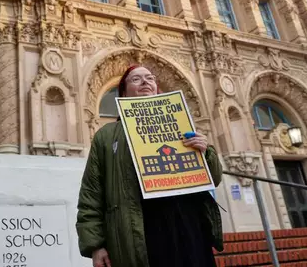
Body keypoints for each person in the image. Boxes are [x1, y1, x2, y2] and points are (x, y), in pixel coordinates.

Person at [76, 65, 223, 267]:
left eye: (150, 78)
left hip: (188, 225)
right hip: (141, 230)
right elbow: (91, 193)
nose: (145, 81)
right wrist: (95, 245)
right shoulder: (107, 135)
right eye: (136, 79)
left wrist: (206, 153)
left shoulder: (181, 125)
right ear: (124, 93)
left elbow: (213, 179)